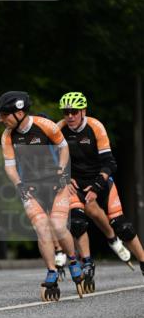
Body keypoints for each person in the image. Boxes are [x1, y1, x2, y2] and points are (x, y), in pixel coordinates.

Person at [0, 90, 84, 301]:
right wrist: (18, 184)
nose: (0, 120)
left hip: (56, 184)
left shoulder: (46, 126)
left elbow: (64, 149)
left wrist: (62, 171)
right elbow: (9, 166)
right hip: (31, 187)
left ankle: (73, 259)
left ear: (19, 113)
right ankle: (52, 271)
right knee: (41, 227)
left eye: (3, 115)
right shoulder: (8, 136)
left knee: (57, 225)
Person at [57, 91, 144, 280]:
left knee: (123, 227)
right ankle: (87, 262)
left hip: (100, 181)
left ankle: (143, 262)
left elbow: (110, 163)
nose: (69, 116)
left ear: (83, 111)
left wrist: (97, 186)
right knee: (77, 224)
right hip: (76, 185)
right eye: (66, 112)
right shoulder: (59, 129)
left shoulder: (95, 127)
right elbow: (51, 161)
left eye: (74, 111)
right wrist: (64, 177)